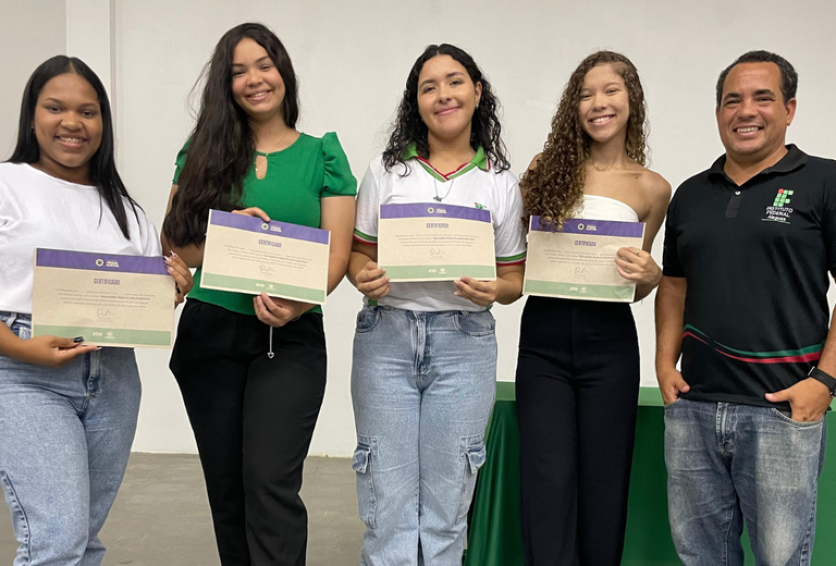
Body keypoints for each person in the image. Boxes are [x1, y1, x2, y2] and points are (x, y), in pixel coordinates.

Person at [161, 23, 356, 566]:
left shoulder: (324, 155)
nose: (254, 80)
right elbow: (174, 243)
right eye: (238, 71)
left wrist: (299, 303)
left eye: (264, 65)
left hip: (289, 336)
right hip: (210, 331)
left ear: (283, 71)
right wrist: (225, 231)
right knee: (227, 491)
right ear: (225, 85)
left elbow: (337, 256)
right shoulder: (202, 151)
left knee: (270, 483)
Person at [0, 55, 191, 566]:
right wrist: (21, 348)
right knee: (56, 541)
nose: (72, 123)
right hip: (24, 372)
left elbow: (147, 300)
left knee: (83, 539)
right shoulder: (6, 185)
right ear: (31, 114)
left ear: (103, 123)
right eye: (55, 108)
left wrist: (173, 289)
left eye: (87, 112)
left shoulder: (127, 209)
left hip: (113, 376)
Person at [347, 43, 526, 565]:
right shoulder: (386, 173)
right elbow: (359, 255)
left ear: (476, 92)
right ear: (415, 102)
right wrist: (368, 278)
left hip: (464, 345)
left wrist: (495, 291)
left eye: (454, 82)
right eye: (429, 87)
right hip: (386, 339)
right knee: (388, 504)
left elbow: (514, 277)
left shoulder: (499, 180)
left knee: (448, 507)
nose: (442, 94)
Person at [656, 50, 835, 566]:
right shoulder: (690, 195)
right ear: (718, 114)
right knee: (700, 557)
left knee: (780, 559)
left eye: (763, 97)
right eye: (732, 100)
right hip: (694, 409)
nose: (745, 111)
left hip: (782, 411)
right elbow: (673, 284)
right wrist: (665, 364)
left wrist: (824, 383)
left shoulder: (825, 182)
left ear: (790, 109)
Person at [516, 51, 671, 566]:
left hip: (610, 346)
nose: (598, 103)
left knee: (605, 482)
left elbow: (636, 283)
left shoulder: (653, 189)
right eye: (585, 94)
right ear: (572, 106)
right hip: (543, 341)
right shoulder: (546, 169)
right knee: (546, 478)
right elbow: (516, 251)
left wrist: (652, 277)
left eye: (610, 91)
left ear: (633, 99)